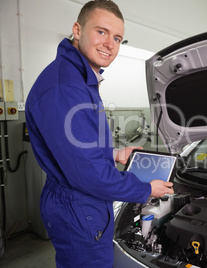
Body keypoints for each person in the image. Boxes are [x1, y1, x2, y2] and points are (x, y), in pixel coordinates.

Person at [25, 0, 173, 267]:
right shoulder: (66, 87)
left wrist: (114, 153)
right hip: (79, 207)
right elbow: (89, 174)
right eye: (101, 32)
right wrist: (145, 189)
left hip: (81, 201)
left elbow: (79, 149)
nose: (110, 44)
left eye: (117, 38)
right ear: (78, 30)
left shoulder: (79, 78)